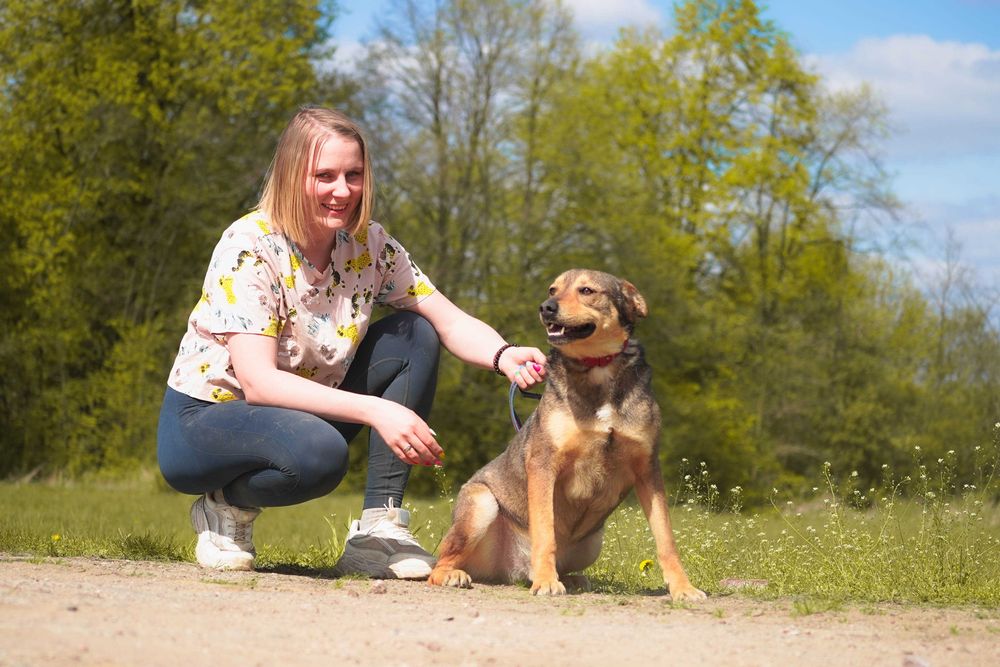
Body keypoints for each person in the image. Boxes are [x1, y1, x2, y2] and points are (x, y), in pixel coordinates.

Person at [157, 106, 546, 578]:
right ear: (291, 175)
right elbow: (258, 383)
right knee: (321, 455)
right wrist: (377, 409)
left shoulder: (369, 246)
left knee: (413, 331)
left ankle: (379, 531)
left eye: (353, 175)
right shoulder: (249, 245)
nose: (342, 191)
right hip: (207, 420)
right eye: (324, 175)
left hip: (300, 413)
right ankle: (225, 508)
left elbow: (446, 319)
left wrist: (504, 355)